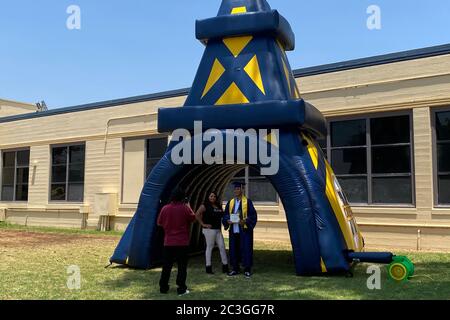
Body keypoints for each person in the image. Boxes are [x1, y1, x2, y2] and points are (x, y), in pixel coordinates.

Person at [157, 187, 196, 296]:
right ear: (183, 198)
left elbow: (159, 223)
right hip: (182, 242)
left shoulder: (165, 208)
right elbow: (193, 218)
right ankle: (181, 288)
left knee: (166, 266)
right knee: (182, 267)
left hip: (168, 242)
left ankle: (163, 288)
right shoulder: (185, 208)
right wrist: (189, 206)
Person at [222, 181, 258, 278]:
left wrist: (245, 221)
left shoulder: (248, 202)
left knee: (246, 249)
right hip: (234, 230)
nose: (236, 190)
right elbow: (225, 215)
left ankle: (247, 269)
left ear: (242, 189)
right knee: (234, 249)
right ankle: (235, 269)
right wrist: (227, 220)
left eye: (238, 188)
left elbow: (253, 215)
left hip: (244, 231)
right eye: (235, 189)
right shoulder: (231, 202)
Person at [196, 192, 229, 274]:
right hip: (209, 230)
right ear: (208, 197)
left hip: (218, 230)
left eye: (214, 196)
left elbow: (223, 216)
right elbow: (197, 214)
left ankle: (225, 267)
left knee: (222, 247)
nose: (213, 197)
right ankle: (208, 267)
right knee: (209, 247)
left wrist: (227, 222)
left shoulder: (218, 206)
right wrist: (203, 224)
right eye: (211, 196)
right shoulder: (204, 206)